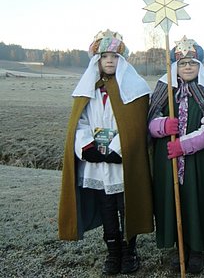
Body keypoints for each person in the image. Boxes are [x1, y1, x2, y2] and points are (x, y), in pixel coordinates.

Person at [58, 29, 154, 275]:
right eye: (104, 56)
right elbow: (80, 122)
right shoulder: (87, 90)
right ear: (96, 60)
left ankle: (130, 250)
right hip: (96, 163)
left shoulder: (135, 88)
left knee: (126, 205)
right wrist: (86, 146)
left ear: (122, 59)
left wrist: (117, 149)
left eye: (114, 55)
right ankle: (113, 252)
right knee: (107, 207)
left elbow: (135, 124)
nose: (109, 60)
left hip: (124, 161)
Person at [147, 36, 204, 274]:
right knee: (171, 199)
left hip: (196, 159)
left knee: (194, 198)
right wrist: (162, 125)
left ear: (200, 65)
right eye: (183, 63)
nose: (188, 67)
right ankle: (179, 247)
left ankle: (197, 249)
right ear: (174, 66)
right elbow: (149, 119)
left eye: (193, 63)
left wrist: (184, 145)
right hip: (167, 158)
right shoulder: (164, 90)